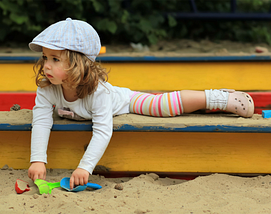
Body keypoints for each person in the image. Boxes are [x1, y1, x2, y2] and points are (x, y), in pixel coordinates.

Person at [27, 18, 254, 189]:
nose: (46, 65)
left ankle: (219, 97)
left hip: (124, 100)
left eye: (55, 59)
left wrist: (84, 167)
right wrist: (38, 160)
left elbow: (102, 131)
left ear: (78, 64)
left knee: (163, 106)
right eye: (46, 57)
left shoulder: (99, 93)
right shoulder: (47, 87)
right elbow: (41, 121)